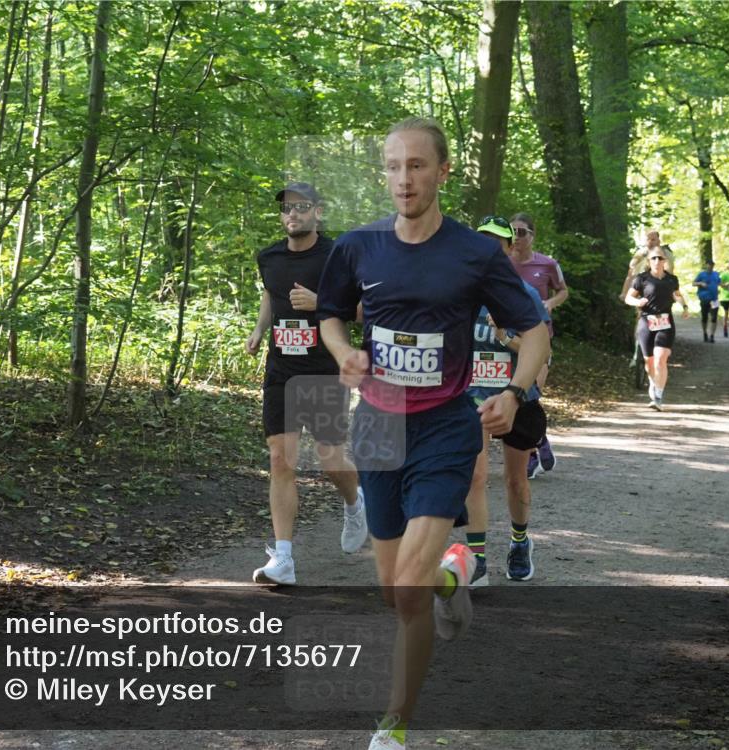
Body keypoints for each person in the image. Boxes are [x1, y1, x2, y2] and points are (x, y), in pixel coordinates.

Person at [316, 118, 549, 750]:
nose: (403, 178)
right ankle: (456, 573)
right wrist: (344, 353)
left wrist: (513, 392)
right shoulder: (360, 247)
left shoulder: (473, 252)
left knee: (407, 584)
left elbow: (533, 330)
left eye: (417, 165)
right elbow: (331, 315)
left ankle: (392, 726)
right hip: (378, 427)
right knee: (398, 594)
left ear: (443, 172)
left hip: (447, 427)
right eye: (393, 166)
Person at [245, 182, 367, 585]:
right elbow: (271, 295)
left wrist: (321, 304)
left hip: (324, 369)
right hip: (281, 370)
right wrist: (260, 330)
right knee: (281, 460)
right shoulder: (269, 257)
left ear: (318, 211)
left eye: (300, 208)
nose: (292, 215)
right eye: (285, 209)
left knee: (331, 458)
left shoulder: (338, 255)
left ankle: (354, 502)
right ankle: (283, 559)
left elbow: (365, 309)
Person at [465, 217, 551, 586]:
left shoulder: (523, 295)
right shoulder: (460, 293)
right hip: (473, 397)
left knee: (515, 481)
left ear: (507, 249)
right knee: (475, 476)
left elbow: (541, 353)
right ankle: (478, 558)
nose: (488, 249)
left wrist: (504, 337)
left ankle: (519, 541)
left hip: (516, 398)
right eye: (481, 241)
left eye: (496, 242)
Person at [508, 212, 567, 480]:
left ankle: (532, 453)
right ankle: (539, 445)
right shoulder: (500, 264)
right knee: (516, 396)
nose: (517, 238)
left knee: (530, 395)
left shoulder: (548, 264)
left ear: (532, 236)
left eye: (522, 232)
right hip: (506, 341)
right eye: (512, 232)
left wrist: (550, 304)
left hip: (538, 339)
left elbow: (563, 291)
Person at [625, 250, 689, 411]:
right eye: (653, 258)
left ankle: (658, 396)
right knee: (650, 362)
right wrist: (637, 302)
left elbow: (677, 295)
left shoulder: (671, 279)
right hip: (646, 321)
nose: (657, 260)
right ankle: (653, 383)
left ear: (664, 261)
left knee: (661, 358)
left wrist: (685, 306)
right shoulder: (642, 279)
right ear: (649, 261)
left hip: (665, 322)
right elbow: (628, 297)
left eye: (660, 258)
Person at [621, 230, 676, 300]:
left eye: (653, 240)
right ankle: (625, 293)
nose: (650, 242)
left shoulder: (666, 253)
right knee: (632, 271)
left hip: (661, 284)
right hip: (644, 285)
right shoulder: (642, 252)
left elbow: (669, 271)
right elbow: (632, 266)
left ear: (658, 241)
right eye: (648, 239)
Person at [692, 260, 721, 343]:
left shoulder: (716, 274)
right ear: (706, 265)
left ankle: (712, 336)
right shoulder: (701, 274)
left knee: (714, 317)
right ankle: (705, 333)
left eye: (712, 265)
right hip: (704, 299)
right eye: (709, 265)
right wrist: (700, 283)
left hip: (714, 299)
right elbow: (693, 283)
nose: (710, 267)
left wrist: (722, 287)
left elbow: (719, 283)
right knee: (705, 317)